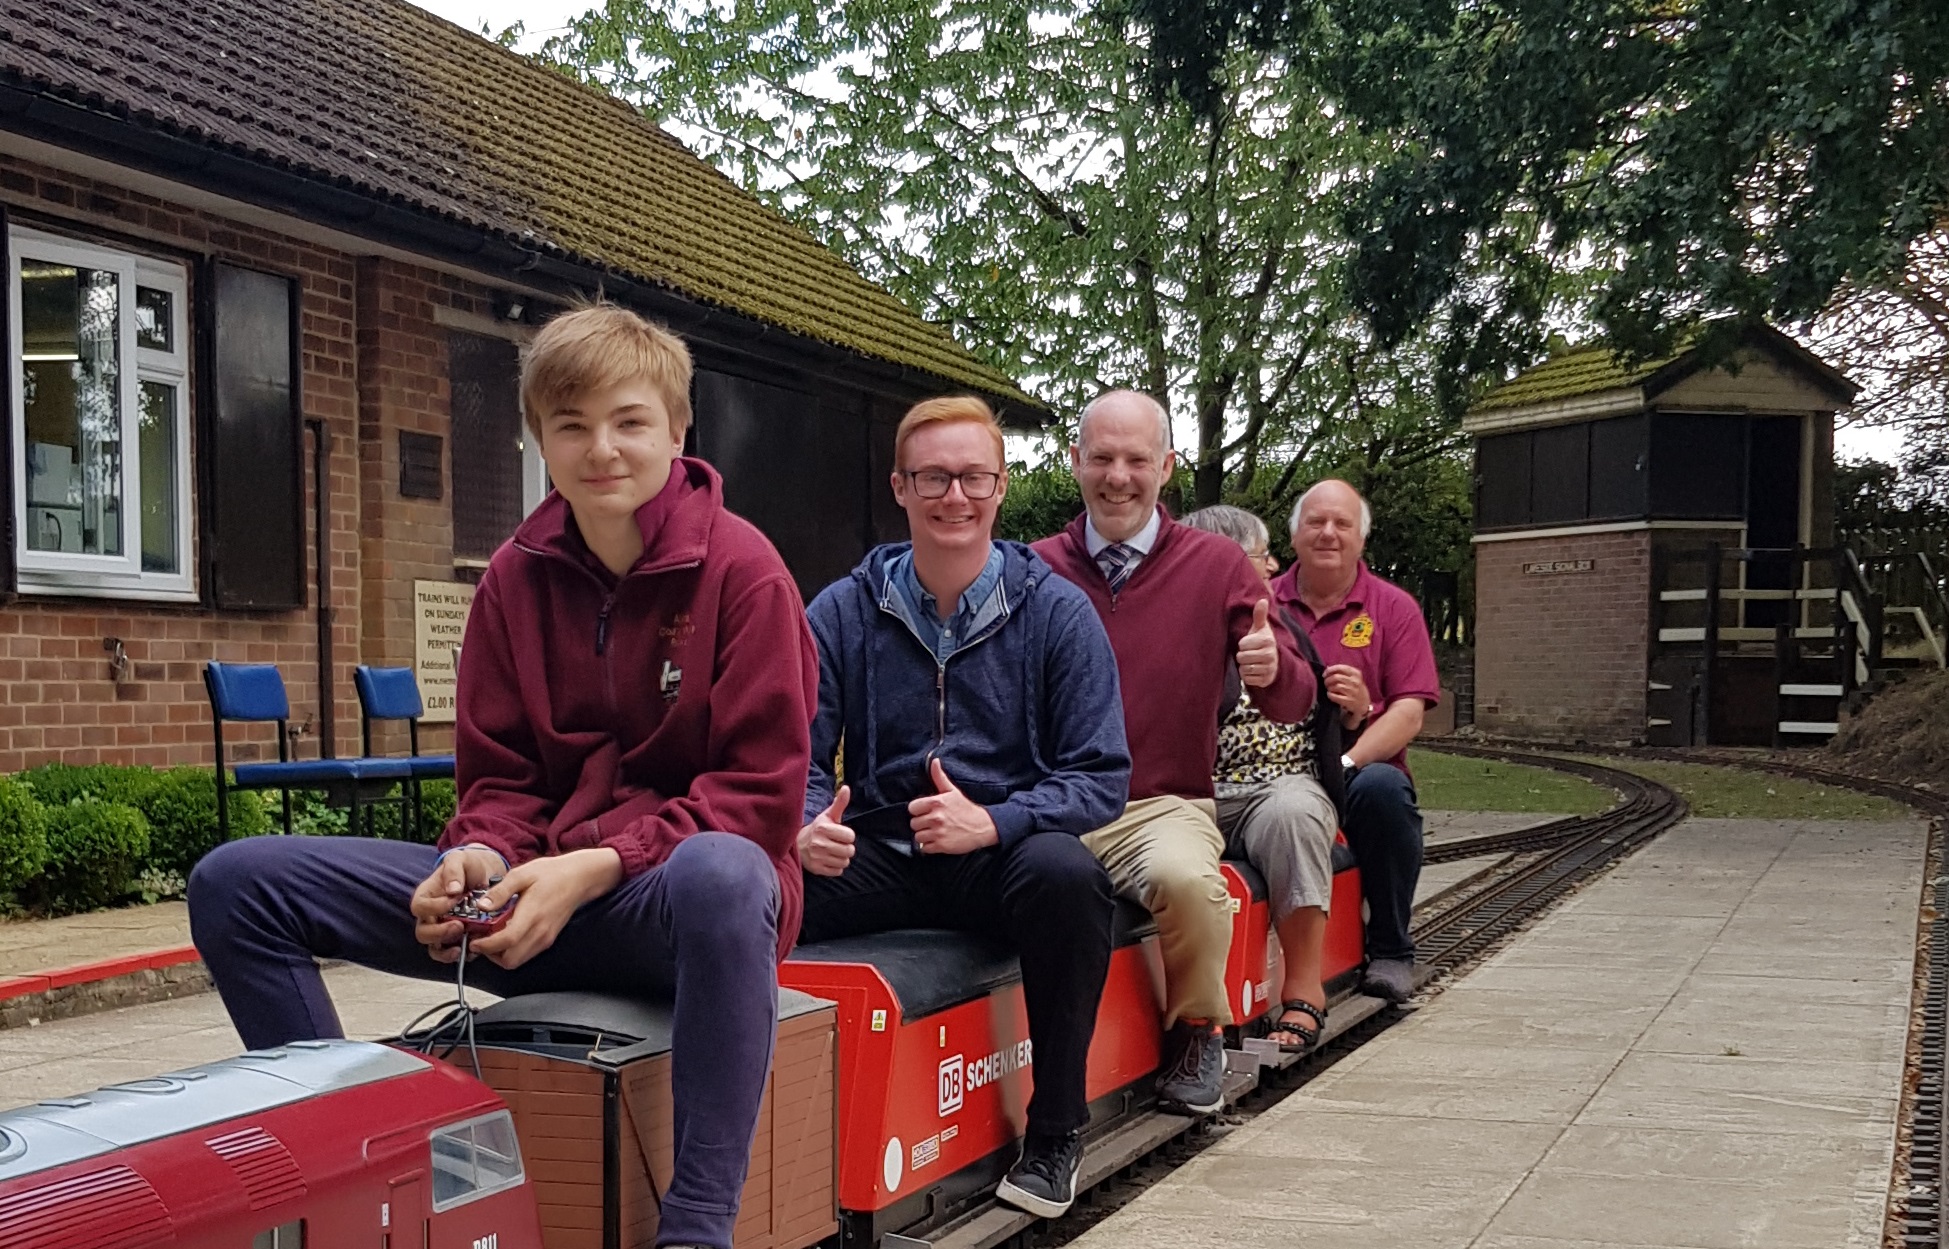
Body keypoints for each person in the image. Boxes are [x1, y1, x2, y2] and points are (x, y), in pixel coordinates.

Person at [189, 304, 817, 1249]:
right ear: (540, 438)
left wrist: (596, 863)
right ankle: (354, 1162)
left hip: (673, 908)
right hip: (531, 904)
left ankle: (695, 1231)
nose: (601, 448)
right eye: (570, 425)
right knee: (237, 884)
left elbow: (760, 798)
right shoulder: (512, 581)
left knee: (728, 871)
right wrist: (479, 853)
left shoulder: (746, 573)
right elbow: (500, 777)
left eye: (629, 421)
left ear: (679, 430)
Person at [797, 396, 1129, 1219]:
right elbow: (788, 751)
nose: (955, 496)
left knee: (1068, 876)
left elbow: (1100, 774)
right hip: (879, 850)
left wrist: (996, 819)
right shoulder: (839, 610)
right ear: (900, 488)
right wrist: (804, 822)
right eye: (934, 478)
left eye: (972, 477)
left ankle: (1054, 1131)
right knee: (747, 885)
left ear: (1001, 486)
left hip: (997, 858)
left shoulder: (1057, 613)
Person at [1031, 390, 1313, 1116]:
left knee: (1189, 880)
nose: (1117, 476)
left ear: (1166, 467)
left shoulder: (1219, 565)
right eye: (1101, 458)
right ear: (1074, 463)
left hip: (1162, 803)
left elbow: (1292, 697)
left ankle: (1198, 1028)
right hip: (1052, 800)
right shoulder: (1031, 569)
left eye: (1135, 460)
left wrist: (1268, 666)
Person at [1272, 478, 1441, 1003]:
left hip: (1355, 771)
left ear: (1361, 539)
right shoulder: (1259, 604)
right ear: (1295, 534)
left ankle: (1391, 949)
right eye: (1315, 522)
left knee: (1385, 791)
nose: (1328, 533)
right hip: (1271, 770)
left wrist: (1346, 757)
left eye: (1342, 524)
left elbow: (1409, 712)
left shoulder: (1394, 609)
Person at [1180, 504, 1340, 1053]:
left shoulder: (1277, 625)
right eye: (1258, 554)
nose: (1272, 565)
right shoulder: (1165, 623)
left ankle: (1304, 989)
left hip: (1273, 786)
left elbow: (1309, 705)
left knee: (1292, 817)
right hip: (1187, 793)